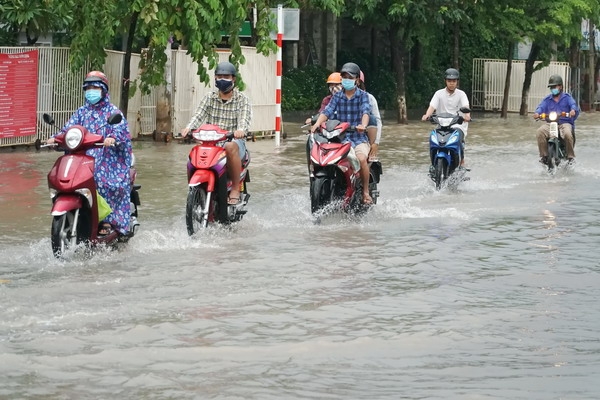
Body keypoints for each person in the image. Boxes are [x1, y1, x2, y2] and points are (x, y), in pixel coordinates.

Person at [47, 70, 132, 236]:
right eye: (88, 88)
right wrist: (54, 138)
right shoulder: (81, 112)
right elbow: (68, 129)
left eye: (95, 87)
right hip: (82, 156)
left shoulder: (113, 112)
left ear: (103, 90)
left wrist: (112, 138)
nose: (91, 91)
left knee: (100, 179)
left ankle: (108, 220)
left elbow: (120, 130)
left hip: (108, 157)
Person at [180, 61, 252, 205]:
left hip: (234, 143)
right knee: (194, 153)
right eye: (219, 76)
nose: (222, 79)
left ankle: (235, 188)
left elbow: (244, 120)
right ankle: (196, 191)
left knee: (229, 146)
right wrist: (188, 128)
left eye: (226, 76)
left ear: (233, 79)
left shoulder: (242, 100)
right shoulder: (209, 97)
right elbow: (198, 116)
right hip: (211, 143)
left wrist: (240, 131)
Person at [311, 62, 373, 204]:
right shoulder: (337, 96)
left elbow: (365, 112)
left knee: (362, 159)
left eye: (349, 77)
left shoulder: (363, 96)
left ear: (357, 79)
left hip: (358, 138)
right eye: (344, 76)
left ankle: (365, 192)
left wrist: (363, 125)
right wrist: (316, 124)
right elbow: (326, 112)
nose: (346, 79)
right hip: (339, 138)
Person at [421, 68, 471, 167]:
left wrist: (467, 116)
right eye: (449, 81)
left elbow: (466, 107)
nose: (451, 83)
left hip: (458, 124)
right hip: (442, 124)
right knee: (433, 138)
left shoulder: (462, 94)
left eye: (454, 81)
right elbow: (432, 106)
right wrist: (427, 115)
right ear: (445, 81)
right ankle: (433, 162)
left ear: (457, 82)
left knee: (459, 138)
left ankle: (462, 162)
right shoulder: (438, 93)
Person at [532, 74, 578, 165]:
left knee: (568, 134)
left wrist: (572, 110)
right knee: (540, 132)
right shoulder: (547, 99)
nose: (553, 88)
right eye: (551, 87)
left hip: (565, 123)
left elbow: (573, 105)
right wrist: (537, 113)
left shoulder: (567, 98)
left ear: (560, 86)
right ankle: (544, 156)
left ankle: (570, 157)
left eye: (555, 86)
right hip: (551, 123)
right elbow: (541, 107)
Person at [357, 71, 382, 162]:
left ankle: (370, 150)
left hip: (363, 132)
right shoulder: (339, 98)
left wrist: (376, 143)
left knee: (372, 119)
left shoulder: (369, 98)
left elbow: (378, 121)